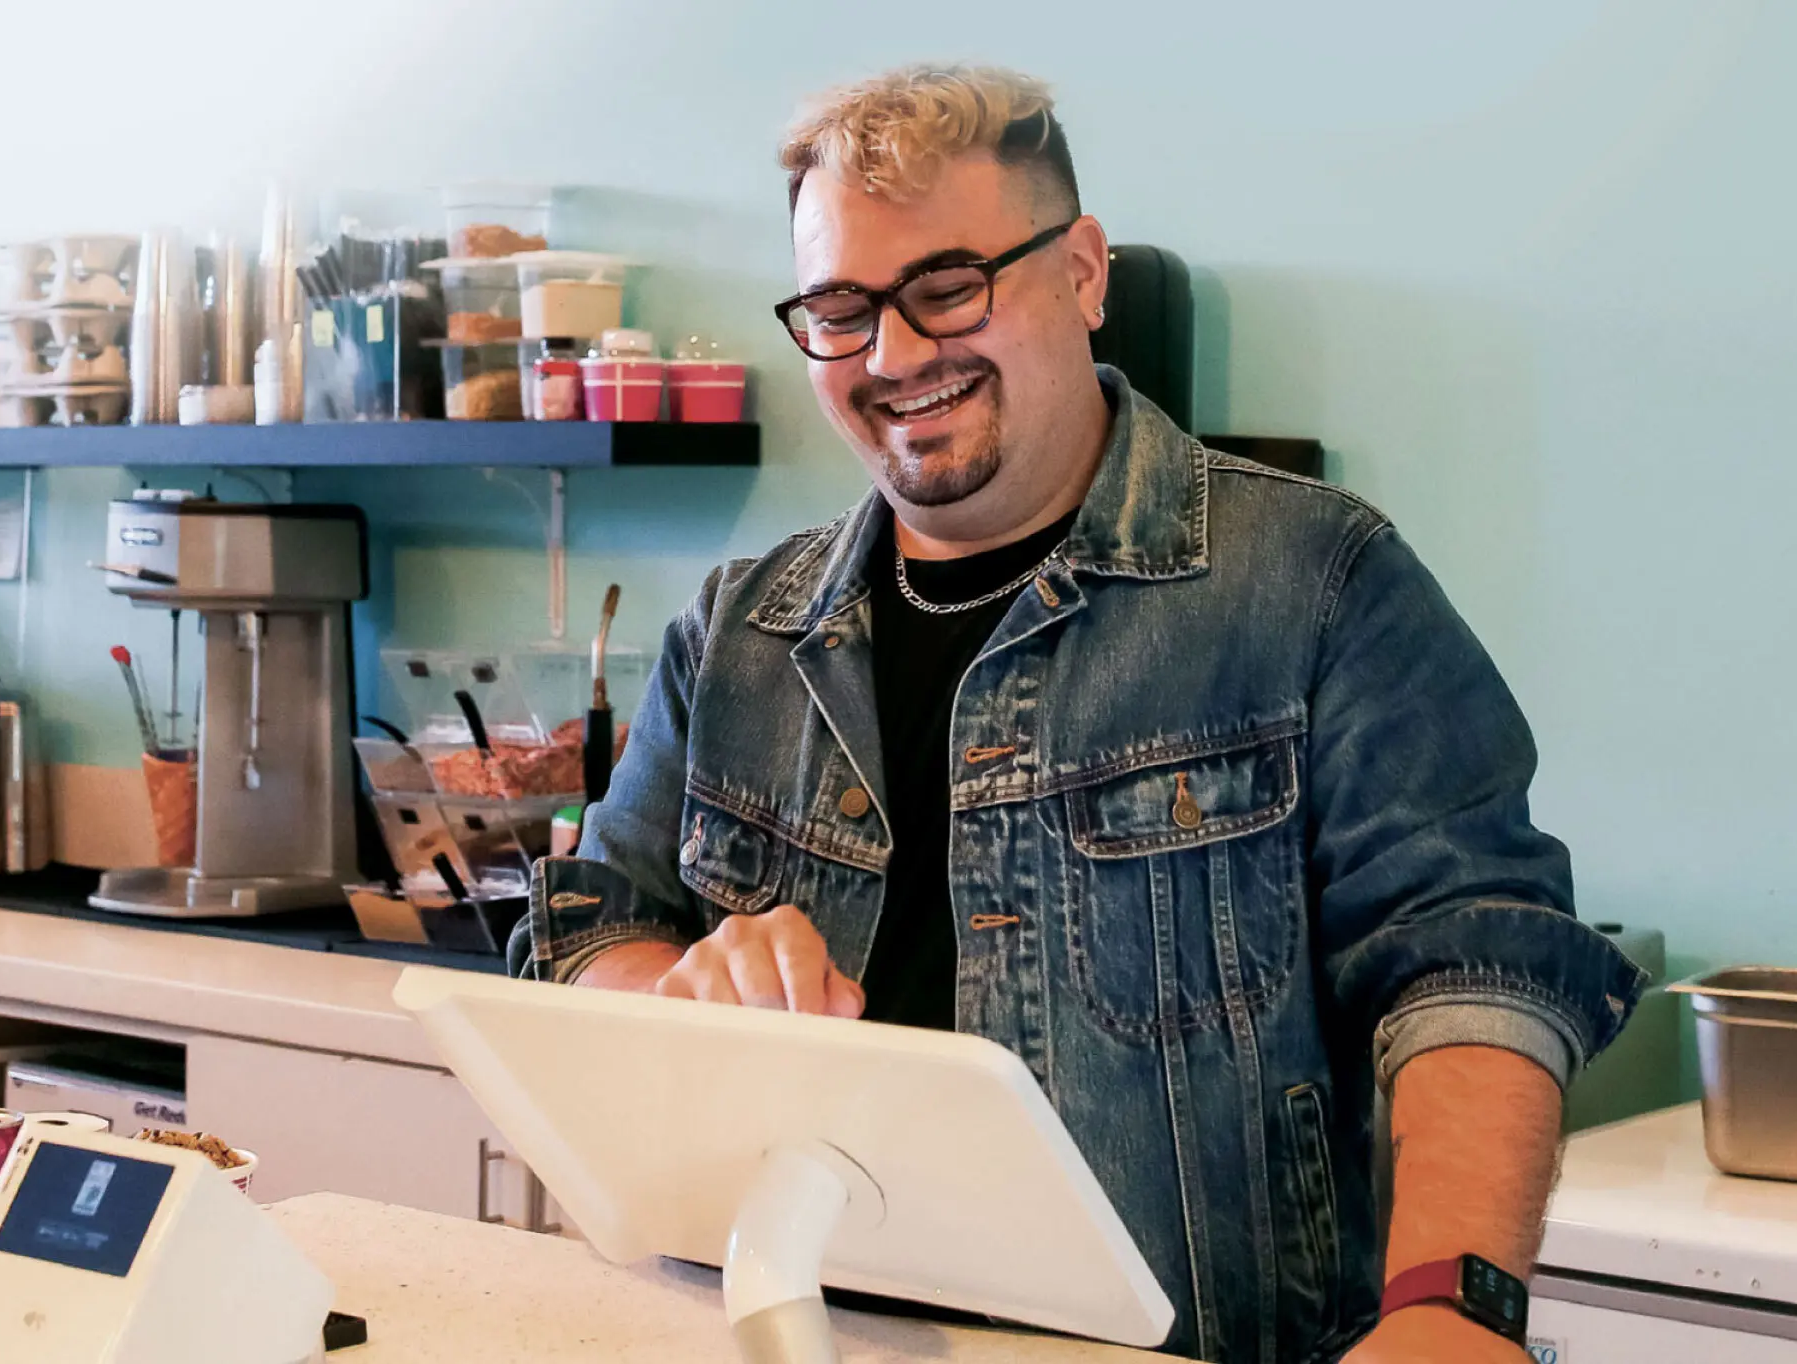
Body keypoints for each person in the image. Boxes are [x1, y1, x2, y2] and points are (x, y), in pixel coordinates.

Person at [508, 65, 1644, 1363]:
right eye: (839, 308)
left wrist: (1454, 1307)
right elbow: (596, 916)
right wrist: (680, 985)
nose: (894, 354)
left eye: (948, 288)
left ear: (1084, 272)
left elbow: (1471, 966)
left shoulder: (1316, 586)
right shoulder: (738, 630)